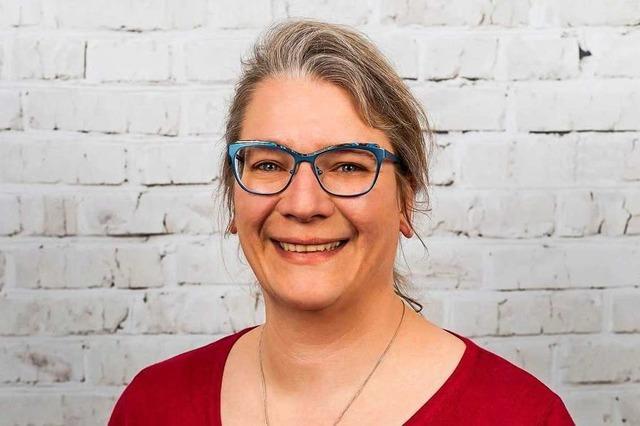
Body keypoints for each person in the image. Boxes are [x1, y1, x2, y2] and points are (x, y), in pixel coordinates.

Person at [109, 19, 575, 425]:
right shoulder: (152, 407)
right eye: (268, 164)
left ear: (405, 201)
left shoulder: (521, 415)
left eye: (348, 166)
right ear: (233, 197)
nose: (303, 203)